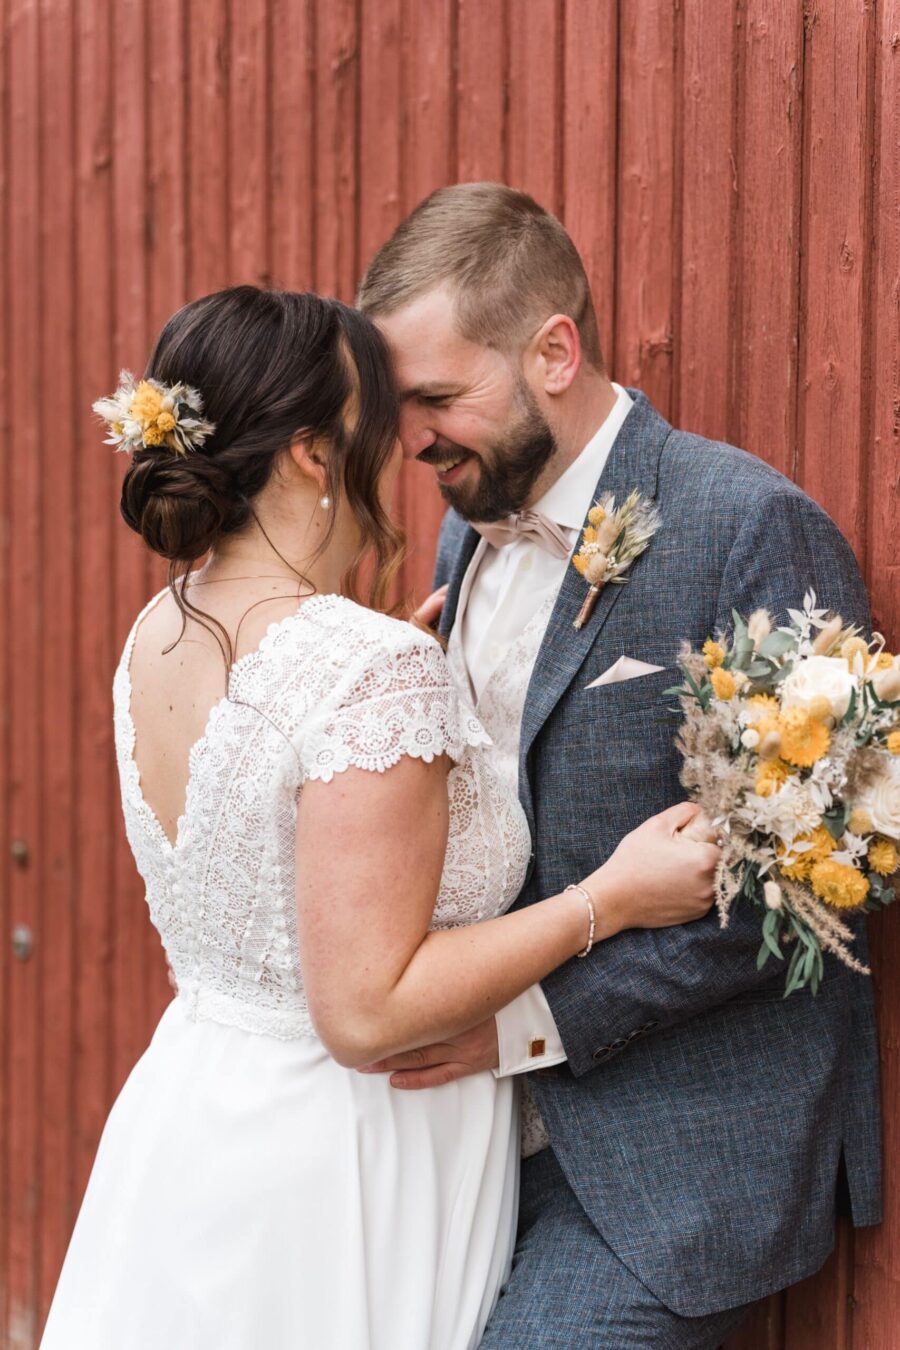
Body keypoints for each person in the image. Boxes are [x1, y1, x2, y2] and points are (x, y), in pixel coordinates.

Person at [39, 286, 718, 1350]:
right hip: (345, 1159)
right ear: (313, 455)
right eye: (377, 418)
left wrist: (386, 711)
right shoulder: (368, 668)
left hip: (197, 1118)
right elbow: (364, 1014)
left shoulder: (163, 627)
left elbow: (270, 798)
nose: (403, 442)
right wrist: (608, 901)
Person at [357, 182, 883, 1348]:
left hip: (671, 1153)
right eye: (402, 407)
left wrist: (528, 1020)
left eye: (441, 397)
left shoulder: (751, 522)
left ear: (555, 350)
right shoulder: (465, 526)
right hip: (464, 1137)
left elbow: (805, 881)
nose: (414, 441)